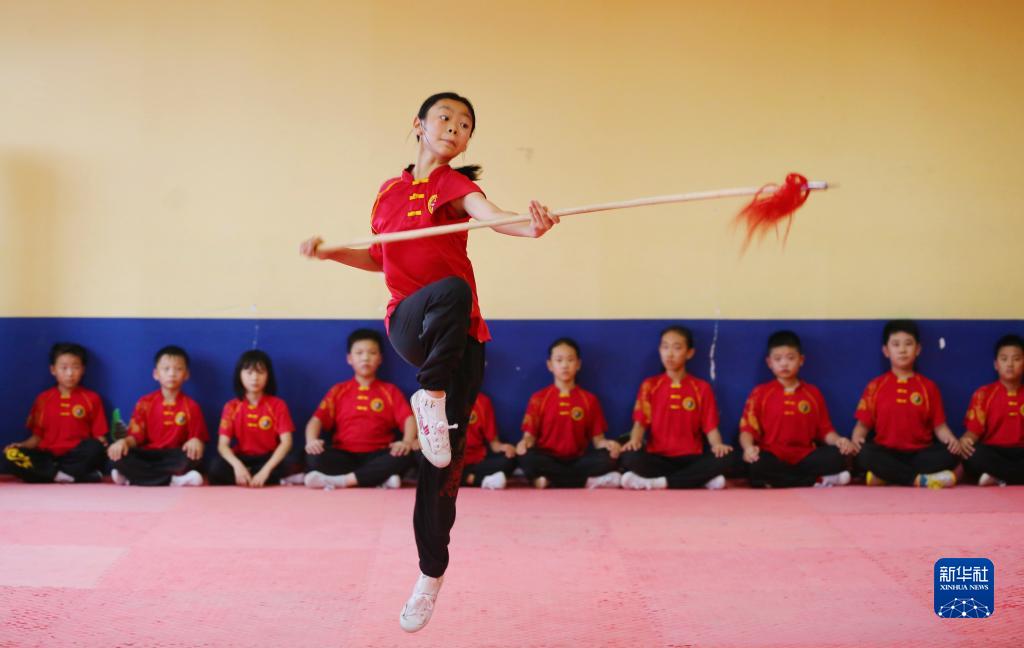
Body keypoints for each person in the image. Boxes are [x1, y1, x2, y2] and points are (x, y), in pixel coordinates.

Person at [299, 92, 558, 631]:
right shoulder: (388, 191)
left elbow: (494, 217)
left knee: (442, 467)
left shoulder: (456, 186)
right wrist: (328, 252)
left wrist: (531, 227)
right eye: (445, 118)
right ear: (418, 125)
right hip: (410, 323)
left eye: (465, 125)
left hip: (463, 343)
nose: (455, 128)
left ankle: (429, 575)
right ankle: (430, 394)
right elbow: (379, 257)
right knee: (451, 290)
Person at [619, 326, 735, 490]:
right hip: (658, 457)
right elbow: (640, 423)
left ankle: (660, 482)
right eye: (665, 347)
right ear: (660, 350)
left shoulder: (701, 387)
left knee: (727, 457)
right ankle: (698, 480)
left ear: (689, 353)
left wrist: (717, 445)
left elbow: (711, 428)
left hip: (692, 458)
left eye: (677, 348)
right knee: (629, 457)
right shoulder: (649, 385)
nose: (669, 354)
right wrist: (634, 441)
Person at [737, 331, 854, 488]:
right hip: (773, 455)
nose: (784, 364)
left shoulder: (813, 393)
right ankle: (817, 480)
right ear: (769, 362)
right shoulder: (760, 393)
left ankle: (779, 481)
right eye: (778, 359)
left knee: (838, 455)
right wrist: (748, 448)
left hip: (806, 455)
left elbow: (825, 431)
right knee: (755, 464)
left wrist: (839, 440)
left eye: (790, 358)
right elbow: (747, 430)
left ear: (801, 360)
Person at [303, 329, 416, 490]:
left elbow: (408, 419)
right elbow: (316, 420)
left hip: (379, 453)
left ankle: (341, 481)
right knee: (313, 456)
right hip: (344, 455)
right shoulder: (338, 390)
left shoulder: (390, 391)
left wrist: (406, 441)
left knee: (405, 454)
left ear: (380, 358)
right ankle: (377, 478)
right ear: (350, 358)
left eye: (372, 353)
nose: (365, 358)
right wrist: (311, 441)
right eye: (359, 353)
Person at [850, 320, 960, 487]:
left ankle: (887, 476)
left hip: (920, 454)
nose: (902, 350)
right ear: (886, 351)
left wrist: (951, 441)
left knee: (950, 454)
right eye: (896, 344)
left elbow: (940, 427)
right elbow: (862, 426)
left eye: (908, 344)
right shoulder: (875, 386)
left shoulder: (928, 387)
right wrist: (856, 439)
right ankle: (918, 480)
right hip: (885, 452)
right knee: (863, 454)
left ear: (918, 349)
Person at [516, 338, 622, 489]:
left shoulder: (589, 399)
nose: (565, 365)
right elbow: (529, 437)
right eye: (559, 360)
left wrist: (609, 445)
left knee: (608, 457)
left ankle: (550, 481)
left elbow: (598, 441)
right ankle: (583, 481)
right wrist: (524, 444)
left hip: (579, 459)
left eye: (570, 360)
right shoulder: (538, 398)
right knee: (525, 457)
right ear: (550, 365)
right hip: (547, 458)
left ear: (578, 364)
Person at [3, 342, 107, 483]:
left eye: (75, 367)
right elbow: (37, 438)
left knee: (95, 448)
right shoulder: (43, 399)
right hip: (47, 457)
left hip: (75, 456)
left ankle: (52, 475)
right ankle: (66, 476)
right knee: (10, 454)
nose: (70, 373)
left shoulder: (92, 398)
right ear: (53, 370)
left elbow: (99, 437)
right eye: (64, 368)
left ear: (83, 370)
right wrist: (22, 446)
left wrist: (103, 444)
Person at [107, 345, 208, 487]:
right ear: (156, 374)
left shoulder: (191, 406)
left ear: (186, 374)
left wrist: (197, 442)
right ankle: (173, 480)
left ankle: (133, 478)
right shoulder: (144, 403)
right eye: (166, 369)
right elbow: (135, 437)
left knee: (192, 458)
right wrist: (123, 442)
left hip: (174, 455)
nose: (172, 374)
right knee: (118, 457)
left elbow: (197, 441)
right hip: (147, 455)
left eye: (178, 369)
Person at [209, 349, 302, 487]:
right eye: (249, 372)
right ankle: (268, 478)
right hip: (242, 458)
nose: (254, 378)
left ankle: (258, 476)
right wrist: (238, 466)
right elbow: (222, 445)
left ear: (268, 375)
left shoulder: (278, 405)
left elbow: (286, 442)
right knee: (215, 467)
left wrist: (265, 471)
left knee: (294, 460)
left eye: (260, 372)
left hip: (269, 459)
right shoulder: (231, 406)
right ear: (240, 375)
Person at [960, 334, 1024, 486]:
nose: (1010, 364)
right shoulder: (983, 394)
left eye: (1016, 359)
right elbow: (973, 433)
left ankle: (998, 477)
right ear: (996, 364)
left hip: (1021, 452)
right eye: (1004, 359)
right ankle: (1011, 477)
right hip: (993, 452)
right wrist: (965, 441)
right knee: (972, 455)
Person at [461, 392, 517, 490]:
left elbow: (494, 443)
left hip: (477, 461)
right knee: (437, 468)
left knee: (509, 461)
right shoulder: (443, 399)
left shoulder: (482, 401)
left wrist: (504, 448)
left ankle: (466, 479)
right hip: (451, 461)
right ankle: (479, 480)